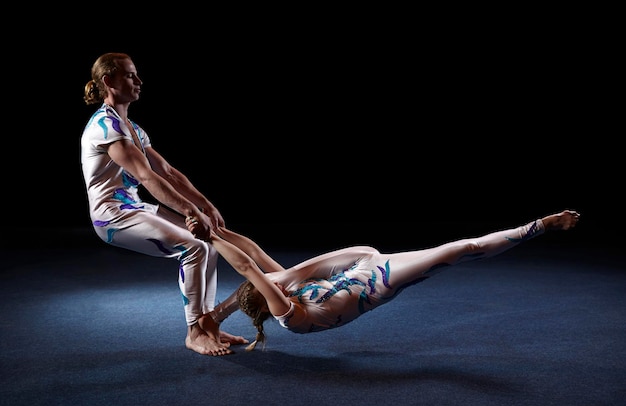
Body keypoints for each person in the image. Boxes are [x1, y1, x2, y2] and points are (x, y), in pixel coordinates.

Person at [185, 210, 581, 351]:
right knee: (464, 248)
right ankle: (539, 226)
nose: (278, 285)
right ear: (270, 303)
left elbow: (253, 256)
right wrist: (211, 238)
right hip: (381, 281)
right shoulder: (291, 316)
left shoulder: (290, 288)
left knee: (284, 271)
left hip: (364, 262)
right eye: (273, 290)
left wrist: (215, 225)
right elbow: (249, 271)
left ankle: (214, 319)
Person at [80, 52, 247, 356]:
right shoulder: (106, 128)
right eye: (130, 75)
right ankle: (195, 332)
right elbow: (146, 177)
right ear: (109, 82)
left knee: (207, 244)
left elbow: (167, 172)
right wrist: (191, 211)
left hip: (133, 207)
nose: (139, 81)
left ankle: (209, 326)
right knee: (193, 247)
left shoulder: (132, 128)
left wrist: (206, 204)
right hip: (112, 216)